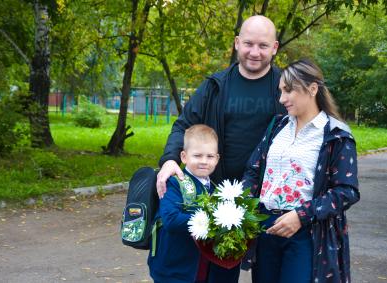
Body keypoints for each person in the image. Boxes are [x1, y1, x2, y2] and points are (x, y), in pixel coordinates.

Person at [156, 15, 285, 280]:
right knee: (218, 276)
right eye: (248, 43)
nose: (254, 52)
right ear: (237, 43)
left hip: (270, 201)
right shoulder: (215, 86)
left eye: (263, 46)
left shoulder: (287, 87)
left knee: (271, 275)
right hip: (218, 200)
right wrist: (170, 159)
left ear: (275, 48)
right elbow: (183, 125)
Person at [242, 59, 360, 283]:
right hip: (265, 228)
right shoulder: (277, 126)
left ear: (312, 89)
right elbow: (253, 170)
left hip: (306, 233)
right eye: (280, 91)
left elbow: (346, 191)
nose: (281, 99)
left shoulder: (336, 135)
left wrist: (301, 216)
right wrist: (244, 209)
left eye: (288, 91)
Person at [148, 124, 220, 283]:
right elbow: (171, 220)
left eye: (209, 156)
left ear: (217, 159)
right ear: (184, 157)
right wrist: (211, 220)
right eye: (197, 155)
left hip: (199, 267)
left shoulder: (214, 188)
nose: (204, 161)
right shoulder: (174, 183)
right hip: (173, 269)